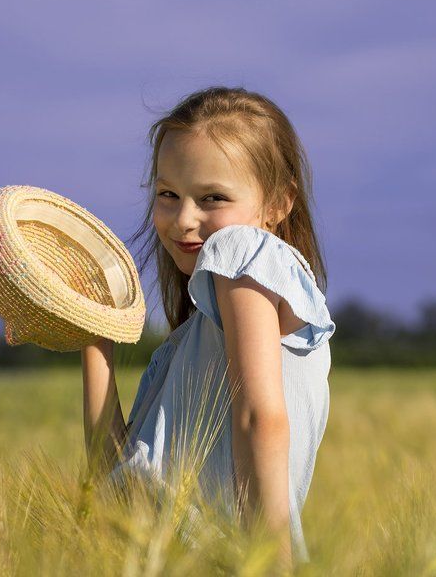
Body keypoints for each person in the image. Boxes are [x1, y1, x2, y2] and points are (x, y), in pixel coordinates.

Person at [80, 85, 336, 570]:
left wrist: (268, 563)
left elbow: (260, 418)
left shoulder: (241, 251)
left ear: (279, 203)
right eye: (167, 194)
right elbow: (113, 483)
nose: (184, 219)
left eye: (212, 197)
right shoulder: (194, 338)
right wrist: (93, 337)